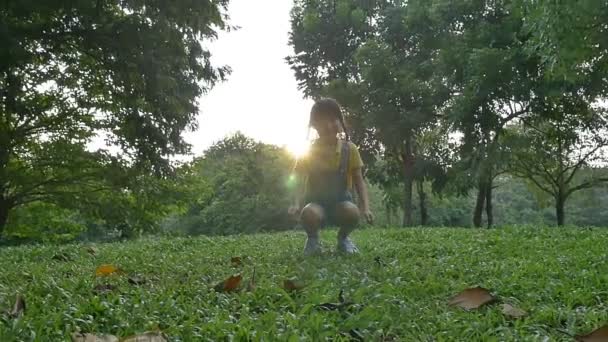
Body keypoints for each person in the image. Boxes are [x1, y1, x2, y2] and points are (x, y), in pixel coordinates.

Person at [288, 98, 374, 255]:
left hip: (341, 203)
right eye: (322, 121)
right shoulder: (308, 152)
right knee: (309, 213)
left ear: (340, 122)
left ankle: (343, 239)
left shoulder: (350, 150)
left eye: (333, 120)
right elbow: (298, 180)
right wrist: (295, 203)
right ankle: (312, 241)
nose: (328, 125)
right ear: (314, 125)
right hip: (316, 204)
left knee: (352, 212)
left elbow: (359, 181)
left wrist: (366, 207)